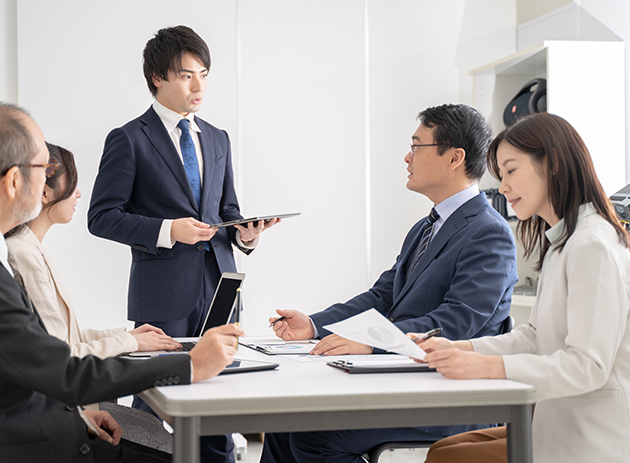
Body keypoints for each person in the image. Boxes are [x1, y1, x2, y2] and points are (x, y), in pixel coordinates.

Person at [0, 102, 243, 463]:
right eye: (44, 168)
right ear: (15, 181)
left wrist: (77, 413)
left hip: (13, 428)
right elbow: (66, 371)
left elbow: (29, 360)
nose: (48, 183)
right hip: (26, 447)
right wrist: (191, 365)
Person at [261, 104, 518, 463]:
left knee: (314, 438)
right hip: (403, 381)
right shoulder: (426, 227)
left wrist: (370, 343)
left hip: (450, 398)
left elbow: (457, 323)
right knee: (281, 423)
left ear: (454, 158)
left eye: (417, 146)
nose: (406, 157)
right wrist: (315, 325)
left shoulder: (489, 233)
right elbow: (383, 296)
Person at [87, 25, 277, 462]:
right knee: (152, 406)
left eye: (205, 75)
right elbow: (101, 218)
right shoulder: (130, 138)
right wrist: (167, 230)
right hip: (162, 295)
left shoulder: (218, 138)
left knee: (219, 402)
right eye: (187, 75)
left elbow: (227, 211)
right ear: (157, 77)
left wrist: (245, 236)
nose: (199, 86)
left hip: (220, 291)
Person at [421, 113, 630, 463]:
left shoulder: (592, 245)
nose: (503, 187)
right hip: (556, 416)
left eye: (511, 171)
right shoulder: (564, 241)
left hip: (592, 436)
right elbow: (534, 336)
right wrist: (461, 348)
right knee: (444, 451)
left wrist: (485, 368)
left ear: (553, 164)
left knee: (447, 459)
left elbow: (588, 366)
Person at [6, 141, 181, 453]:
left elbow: (60, 337)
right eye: (72, 184)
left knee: (159, 430)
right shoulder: (24, 254)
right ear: (44, 193)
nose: (78, 194)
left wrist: (126, 335)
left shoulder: (30, 247)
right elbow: (64, 354)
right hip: (62, 418)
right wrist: (130, 343)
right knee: (171, 443)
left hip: (62, 407)